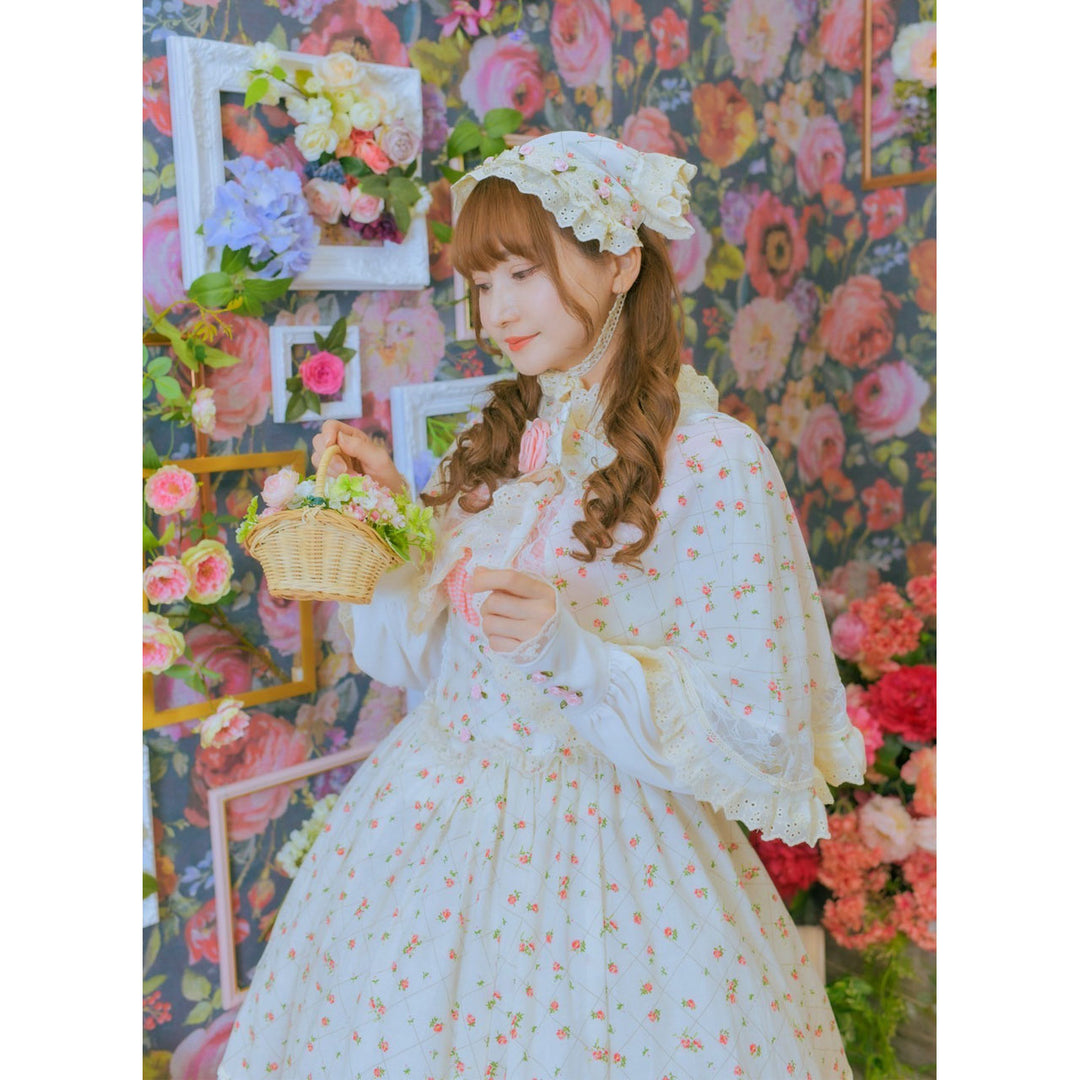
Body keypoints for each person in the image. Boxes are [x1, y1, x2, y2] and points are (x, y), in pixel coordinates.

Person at [218, 131, 865, 1080]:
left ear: (620, 262)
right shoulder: (490, 449)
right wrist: (395, 531)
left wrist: (576, 656)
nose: (498, 310)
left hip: (609, 856)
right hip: (429, 829)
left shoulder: (713, 460)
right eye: (483, 284)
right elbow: (417, 666)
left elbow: (754, 726)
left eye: (523, 272)